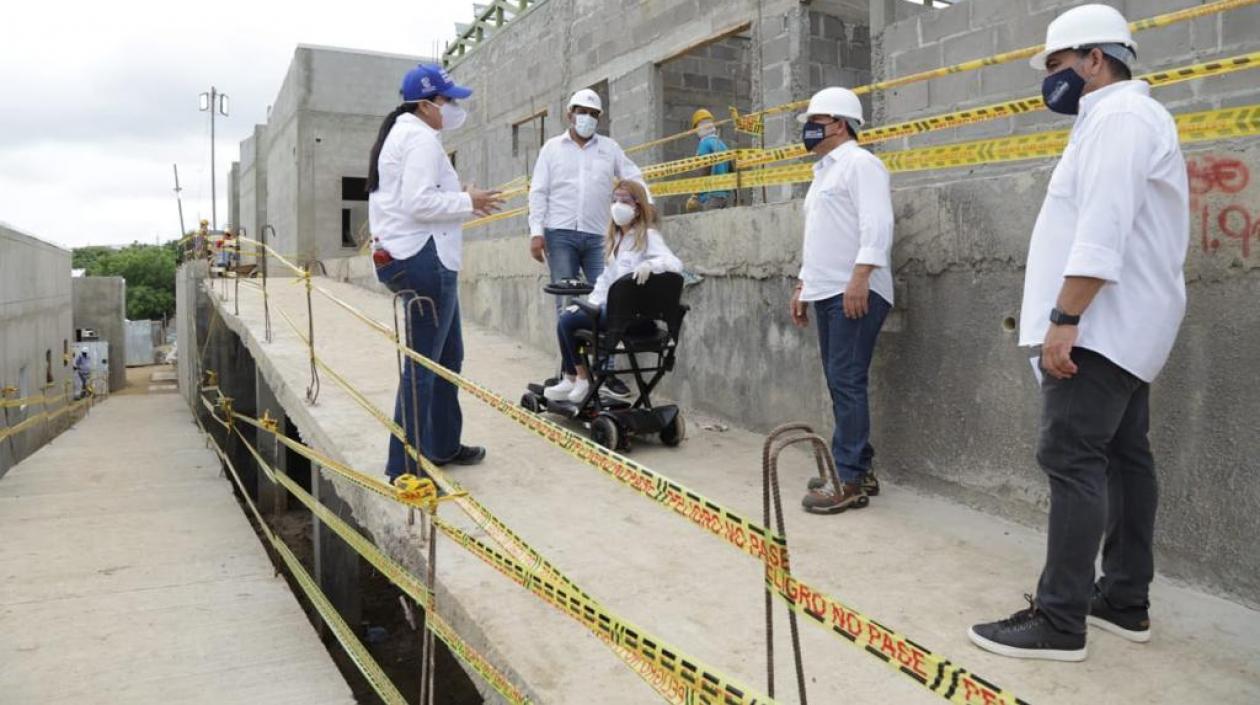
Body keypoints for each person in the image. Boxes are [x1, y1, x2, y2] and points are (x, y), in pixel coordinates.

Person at [968, 4, 1188, 662]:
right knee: (1124, 460)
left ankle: (1060, 619)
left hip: (1099, 327)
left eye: (1059, 65)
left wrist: (1065, 320)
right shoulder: (1117, 119)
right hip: (1122, 327)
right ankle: (1123, 598)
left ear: (1096, 59)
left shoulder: (1120, 118)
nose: (1051, 80)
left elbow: (1103, 228)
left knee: (1071, 460)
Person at [367, 63, 503, 481]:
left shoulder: (408, 135)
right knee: (424, 366)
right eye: (448, 100)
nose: (454, 107)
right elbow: (419, 203)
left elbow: (420, 197)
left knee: (448, 357)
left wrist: (462, 197)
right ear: (426, 105)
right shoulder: (421, 139)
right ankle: (404, 468)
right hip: (424, 260)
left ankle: (442, 444)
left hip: (423, 255)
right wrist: (469, 201)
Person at [789, 87, 894, 516]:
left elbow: (878, 223)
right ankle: (858, 468)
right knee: (839, 381)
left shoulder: (861, 165)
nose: (809, 129)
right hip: (827, 289)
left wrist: (860, 277)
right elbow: (821, 239)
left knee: (847, 381)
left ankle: (847, 479)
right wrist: (802, 284)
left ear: (840, 123)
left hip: (854, 291)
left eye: (817, 120)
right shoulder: (823, 174)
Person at [528, 89, 650, 398]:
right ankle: (571, 373)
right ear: (569, 114)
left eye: (594, 114)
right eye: (582, 112)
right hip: (560, 233)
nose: (588, 118)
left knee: (608, 302)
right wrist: (535, 231)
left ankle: (604, 374)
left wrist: (646, 204)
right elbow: (539, 192)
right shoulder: (552, 149)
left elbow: (633, 176)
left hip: (599, 236)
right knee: (566, 305)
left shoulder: (609, 149)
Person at [545, 179, 682, 404]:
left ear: (637, 207)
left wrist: (651, 266)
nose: (618, 205)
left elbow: (674, 263)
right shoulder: (615, 240)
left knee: (566, 322)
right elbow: (605, 281)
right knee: (570, 315)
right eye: (615, 200)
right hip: (614, 311)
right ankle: (574, 378)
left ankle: (578, 378)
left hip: (633, 317)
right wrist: (589, 304)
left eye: (625, 200)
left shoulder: (648, 236)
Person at [686, 109, 733, 212]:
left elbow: (704, 169)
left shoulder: (704, 144)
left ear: (698, 127)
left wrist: (695, 194)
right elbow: (731, 169)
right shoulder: (722, 144)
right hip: (723, 196)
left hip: (710, 195)